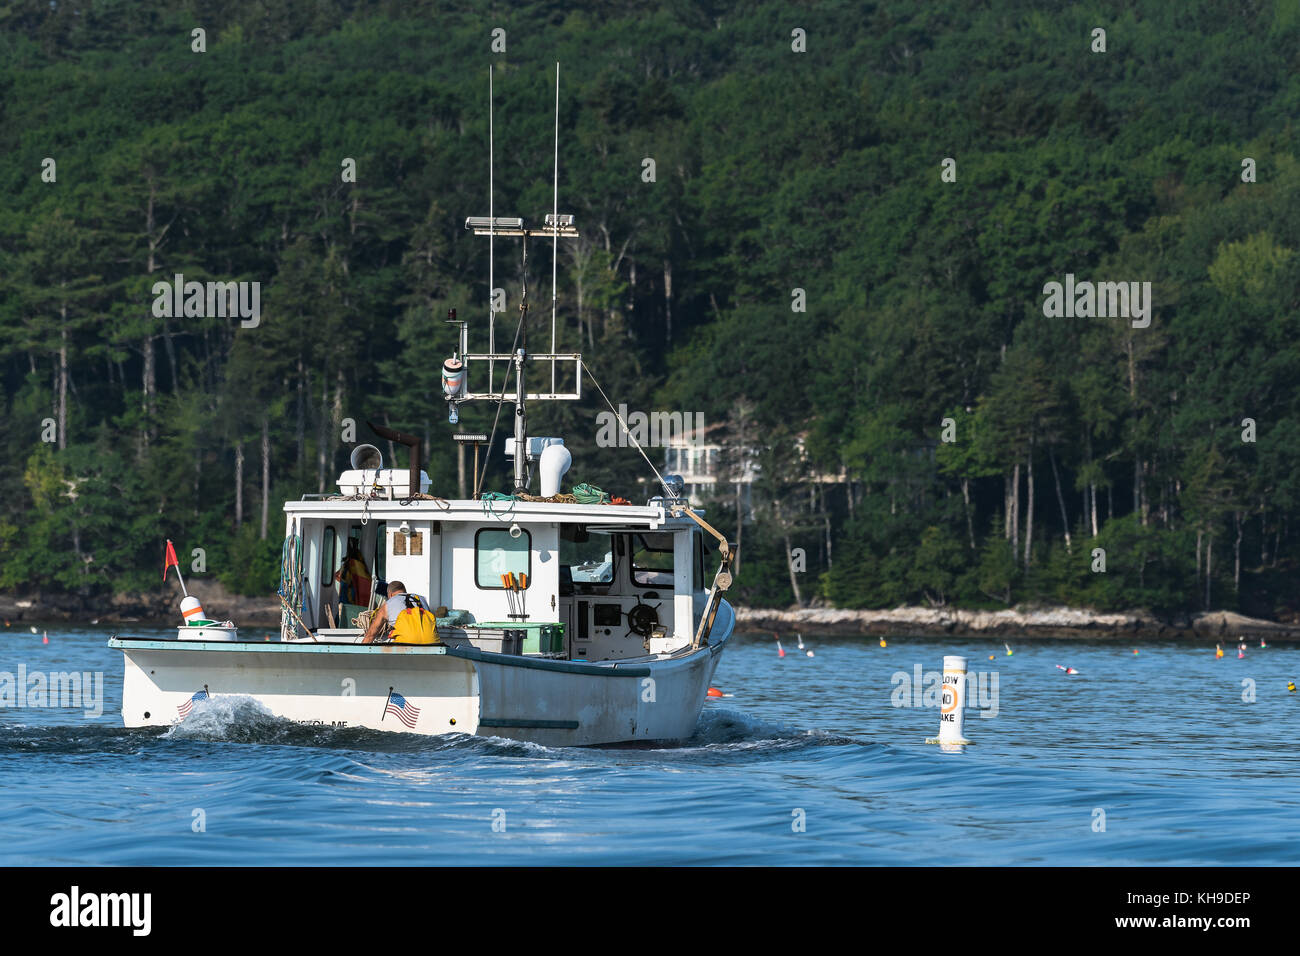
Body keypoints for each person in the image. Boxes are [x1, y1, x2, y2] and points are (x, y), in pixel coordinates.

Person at [335, 539, 372, 605]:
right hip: (351, 592)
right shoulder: (358, 562)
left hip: (349, 592)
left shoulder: (350, 564)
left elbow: (337, 576)